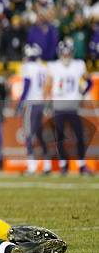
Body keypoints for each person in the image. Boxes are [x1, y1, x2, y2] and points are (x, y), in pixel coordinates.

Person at [44, 38, 92, 175]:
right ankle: (63, 165)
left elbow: (89, 82)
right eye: (63, 53)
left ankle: (82, 165)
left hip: (73, 106)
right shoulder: (53, 66)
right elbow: (48, 86)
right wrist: (47, 103)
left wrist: (83, 94)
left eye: (68, 53)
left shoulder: (78, 65)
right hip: (58, 106)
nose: (66, 56)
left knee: (80, 136)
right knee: (59, 138)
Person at [16, 43, 50, 174]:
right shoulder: (42, 67)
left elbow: (27, 84)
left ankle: (32, 167)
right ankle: (47, 165)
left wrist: (20, 102)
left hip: (31, 103)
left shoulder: (27, 67)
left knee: (28, 133)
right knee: (39, 134)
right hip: (40, 102)